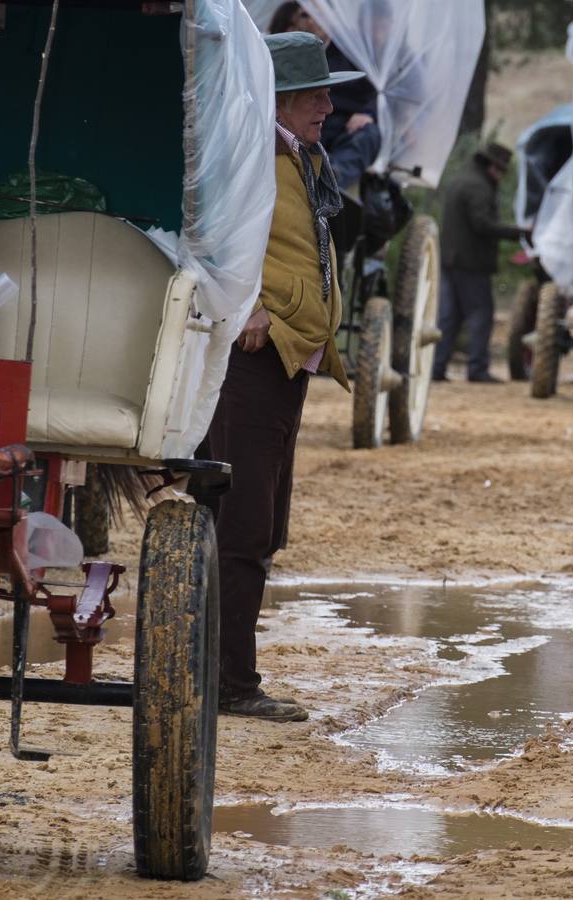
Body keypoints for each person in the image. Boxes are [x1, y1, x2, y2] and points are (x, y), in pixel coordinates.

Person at [204, 32, 360, 721]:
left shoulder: (296, 153)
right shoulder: (251, 152)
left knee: (258, 525)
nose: (328, 104)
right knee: (242, 525)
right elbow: (211, 236)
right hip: (253, 356)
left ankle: (225, 675)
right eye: (315, 93)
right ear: (279, 97)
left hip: (286, 354)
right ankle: (230, 684)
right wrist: (251, 307)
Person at [431, 142, 529, 384]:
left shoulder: (461, 180)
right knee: (480, 315)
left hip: (450, 260)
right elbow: (483, 224)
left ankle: (436, 367)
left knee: (448, 318)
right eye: (502, 170)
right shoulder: (479, 187)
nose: (503, 176)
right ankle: (477, 369)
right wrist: (519, 232)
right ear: (493, 166)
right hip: (470, 263)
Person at [269, 1, 381, 191]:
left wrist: (368, 113)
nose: (313, 20)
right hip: (297, 128)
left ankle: (331, 178)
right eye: (306, 14)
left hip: (340, 128)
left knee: (368, 135)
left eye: (319, 14)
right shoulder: (282, 51)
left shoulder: (352, 51)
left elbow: (381, 92)